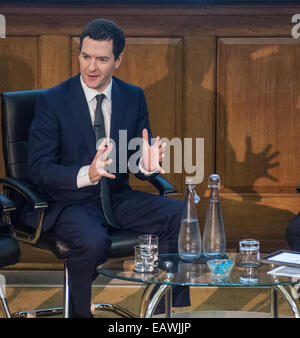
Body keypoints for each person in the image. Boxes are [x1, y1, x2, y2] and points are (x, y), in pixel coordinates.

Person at [24, 18, 190, 317]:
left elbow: (137, 155)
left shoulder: (132, 96)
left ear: (118, 60)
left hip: (116, 197)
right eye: (86, 56)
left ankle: (161, 312)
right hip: (69, 201)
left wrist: (146, 164)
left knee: (180, 214)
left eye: (102, 59)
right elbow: (39, 168)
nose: (91, 67)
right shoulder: (53, 100)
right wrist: (87, 173)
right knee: (92, 240)